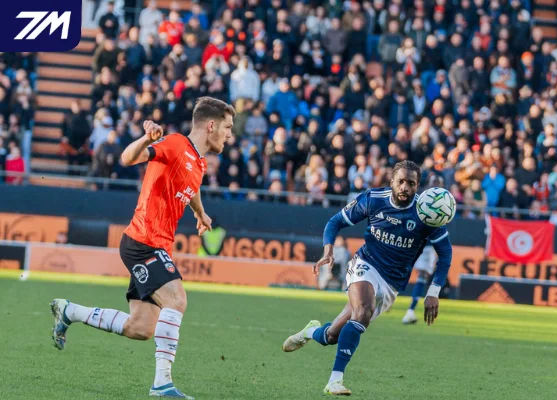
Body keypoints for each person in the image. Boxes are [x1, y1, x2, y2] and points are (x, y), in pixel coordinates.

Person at [49, 97, 235, 399]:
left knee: (140, 327)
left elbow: (192, 187)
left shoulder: (198, 161)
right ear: (211, 125)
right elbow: (128, 158)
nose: (229, 134)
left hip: (156, 245)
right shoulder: (175, 144)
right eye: (227, 127)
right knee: (177, 300)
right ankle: (162, 384)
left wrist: (200, 213)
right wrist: (145, 139)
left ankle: (69, 311)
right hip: (143, 241)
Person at [281, 161, 453, 395]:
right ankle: (335, 380)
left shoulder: (426, 214)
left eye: (411, 184)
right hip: (365, 264)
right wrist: (328, 250)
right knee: (363, 311)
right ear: (391, 181)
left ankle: (310, 332)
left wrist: (433, 293)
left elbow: (445, 254)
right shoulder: (374, 199)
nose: (405, 187)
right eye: (400, 181)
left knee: (332, 336)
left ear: (417, 187)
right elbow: (335, 222)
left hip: (392, 284)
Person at [402, 243, 437, 324]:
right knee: (422, 277)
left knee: (421, 277)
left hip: (413, 246)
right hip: (426, 248)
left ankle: (411, 311)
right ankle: (410, 311)